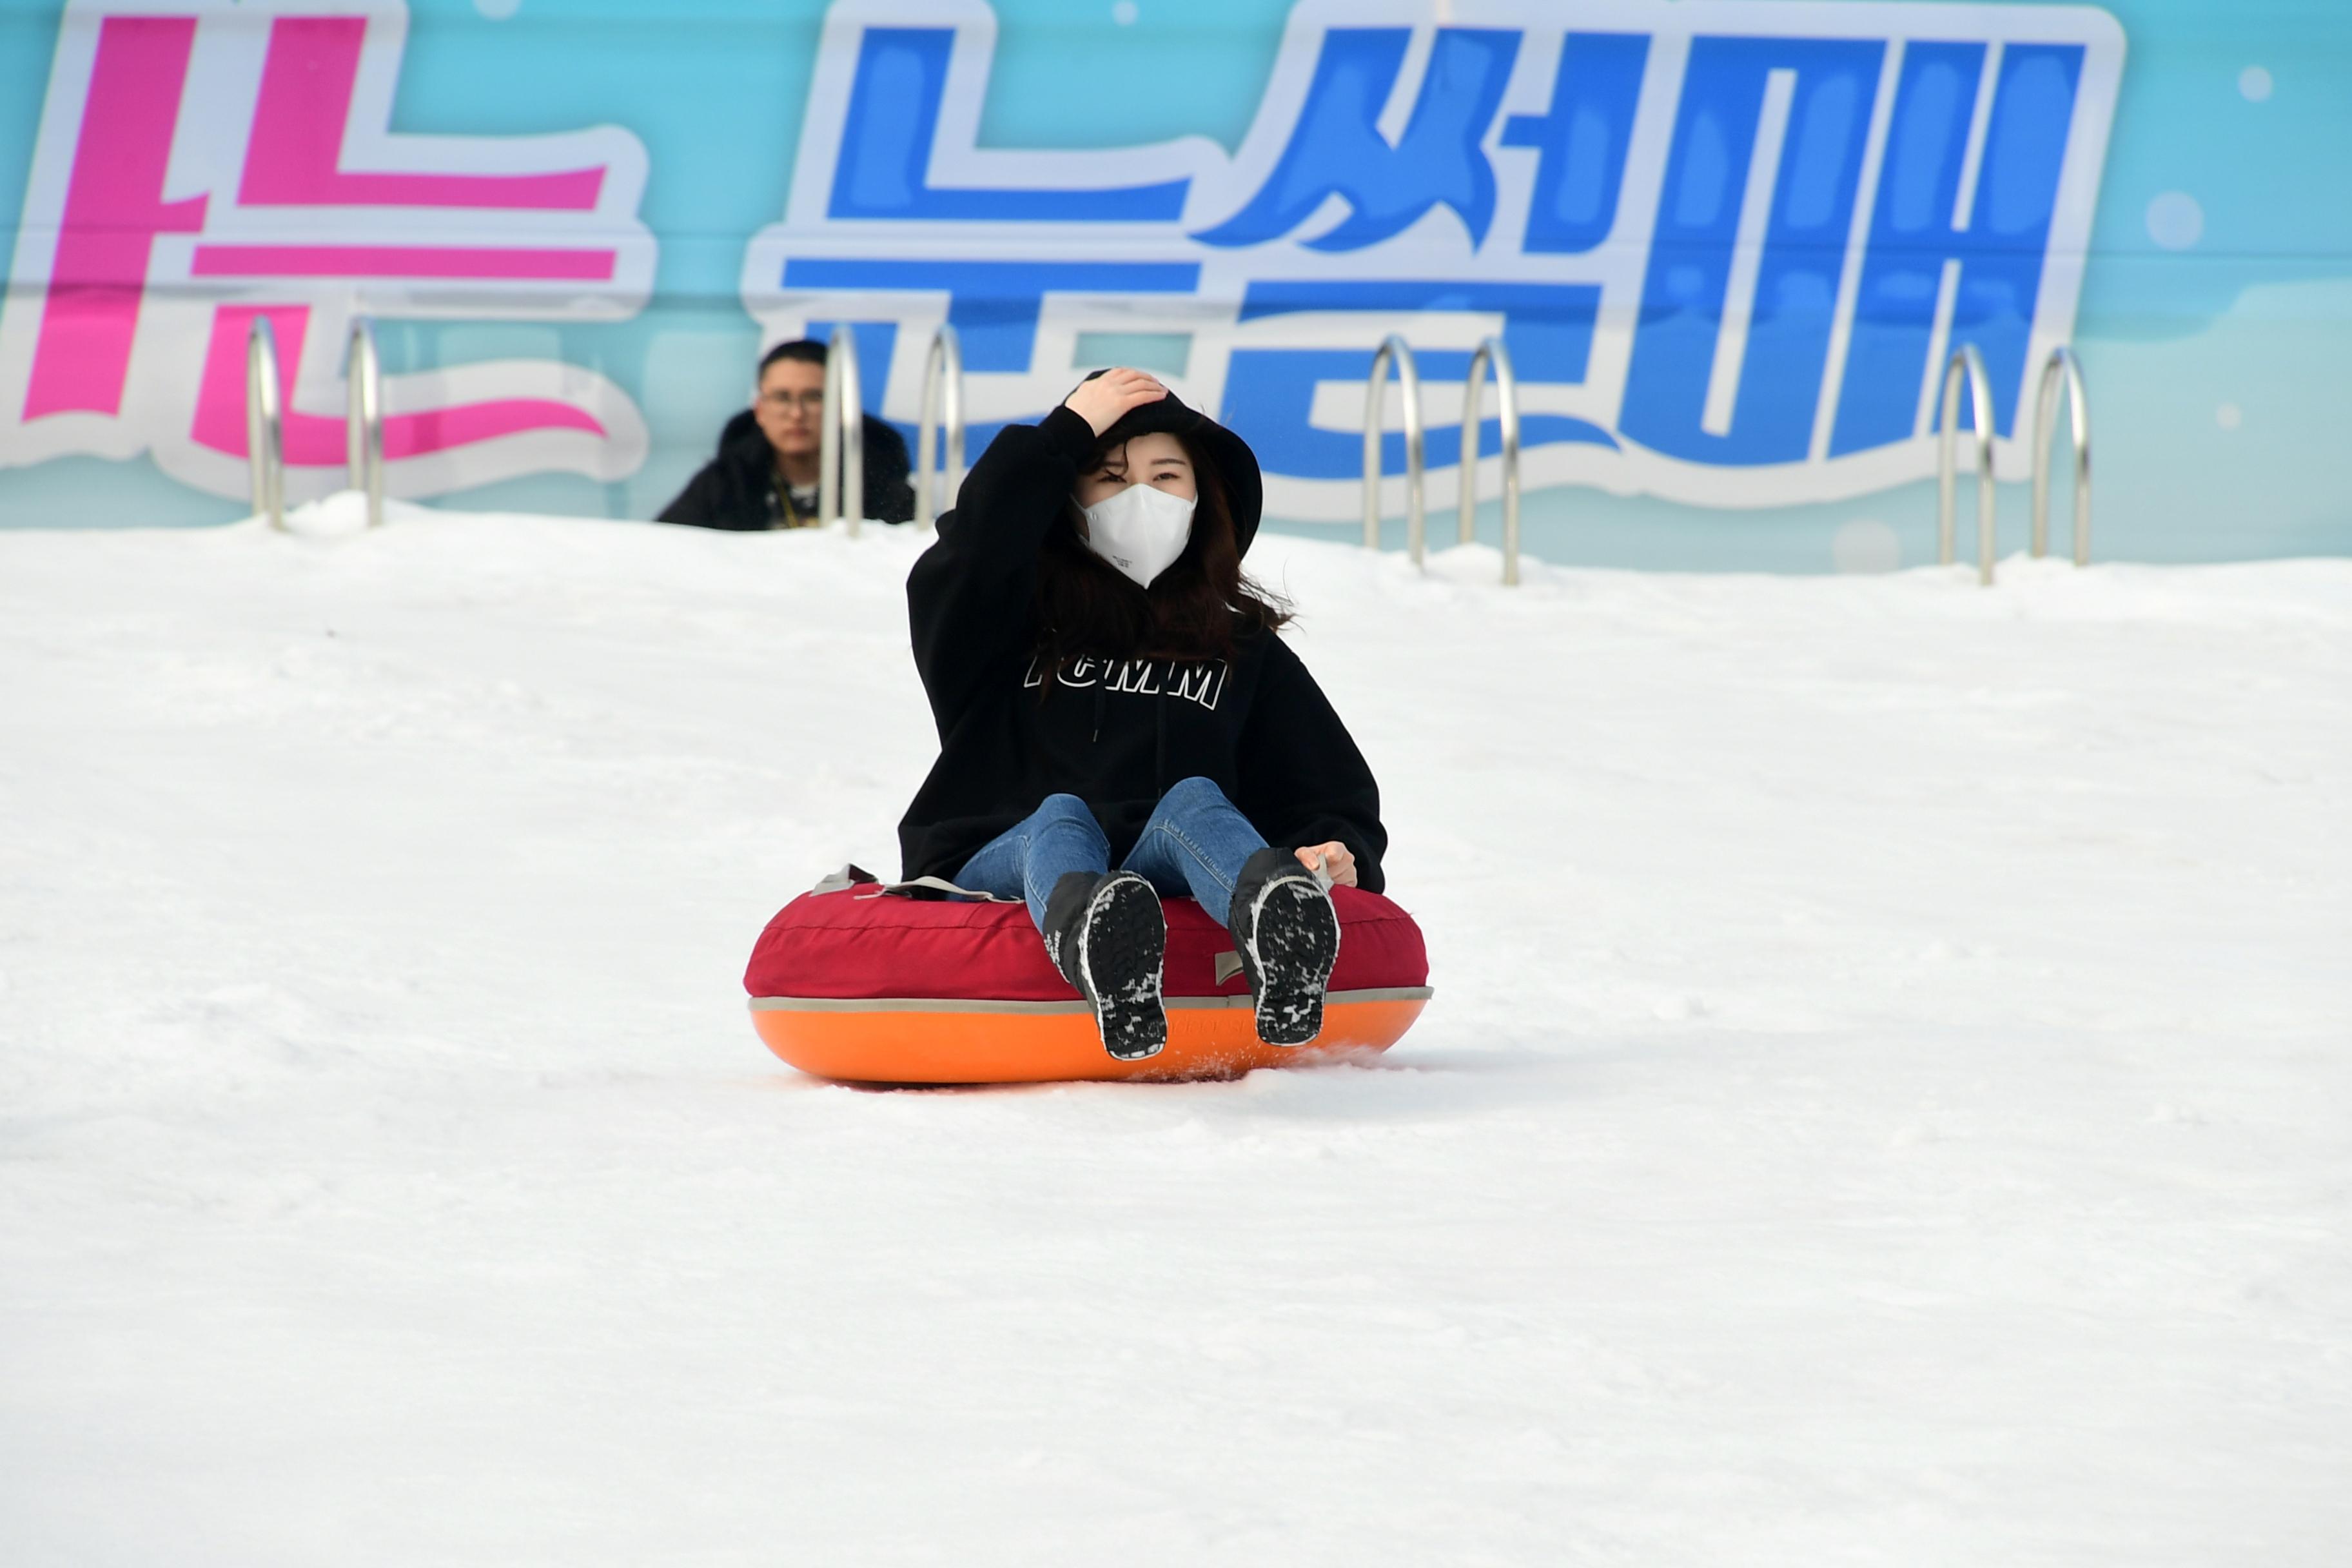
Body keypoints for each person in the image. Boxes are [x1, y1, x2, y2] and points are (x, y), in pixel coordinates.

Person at [898, 367, 1387, 1061]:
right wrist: (1063, 433)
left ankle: (1280, 941)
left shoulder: (1242, 651)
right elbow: (971, 552)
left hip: (1161, 866)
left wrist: (1336, 847)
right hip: (1005, 857)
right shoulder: (1004, 624)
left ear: (1199, 498)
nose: (1140, 499)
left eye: (1165, 478)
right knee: (1060, 815)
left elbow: (1325, 784)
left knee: (1195, 800)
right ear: (1067, 500)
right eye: (1109, 478)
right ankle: (1097, 942)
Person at [656, 339, 915, 529]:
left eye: (814, 397)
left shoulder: (884, 488)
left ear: (840, 408)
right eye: (782, 398)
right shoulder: (724, 483)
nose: (796, 414)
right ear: (760, 410)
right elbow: (667, 550)